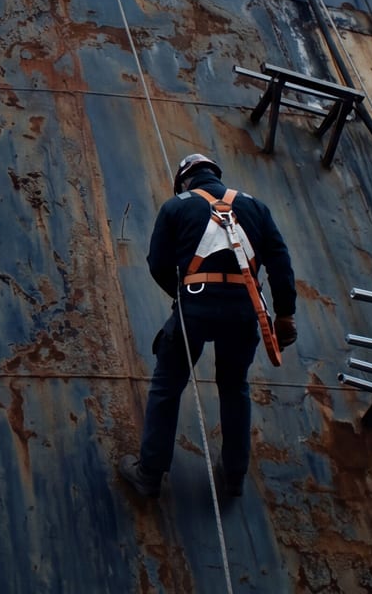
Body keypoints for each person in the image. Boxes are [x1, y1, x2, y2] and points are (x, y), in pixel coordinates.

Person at [120, 153, 297, 500]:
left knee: (167, 386)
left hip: (195, 309)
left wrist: (184, 294)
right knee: (234, 387)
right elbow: (280, 261)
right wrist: (285, 314)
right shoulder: (255, 207)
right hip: (245, 312)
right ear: (215, 175)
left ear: (185, 181)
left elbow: (157, 263)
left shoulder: (176, 207)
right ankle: (234, 476)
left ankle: (150, 474)